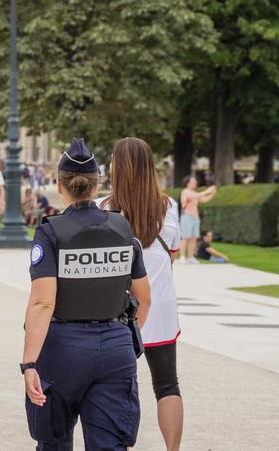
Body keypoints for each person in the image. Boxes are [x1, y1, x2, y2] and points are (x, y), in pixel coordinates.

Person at [22, 138, 151, 450]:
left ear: (59, 185)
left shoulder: (52, 232)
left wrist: (28, 365)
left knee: (54, 442)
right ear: (98, 184)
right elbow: (144, 298)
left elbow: (42, 302)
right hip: (115, 345)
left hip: (63, 348)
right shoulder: (123, 229)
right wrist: (122, 337)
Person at [98, 136, 184, 451]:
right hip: (159, 308)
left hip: (118, 310)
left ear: (117, 168)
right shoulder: (168, 206)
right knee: (167, 385)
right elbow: (172, 250)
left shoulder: (103, 209)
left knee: (117, 388)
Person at [180, 177, 217, 264]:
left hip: (195, 217)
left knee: (194, 238)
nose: (196, 182)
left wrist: (212, 193)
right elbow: (197, 196)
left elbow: (204, 199)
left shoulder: (195, 193)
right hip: (187, 216)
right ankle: (182, 256)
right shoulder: (185, 192)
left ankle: (190, 257)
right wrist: (208, 190)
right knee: (185, 237)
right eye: (193, 181)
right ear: (188, 183)